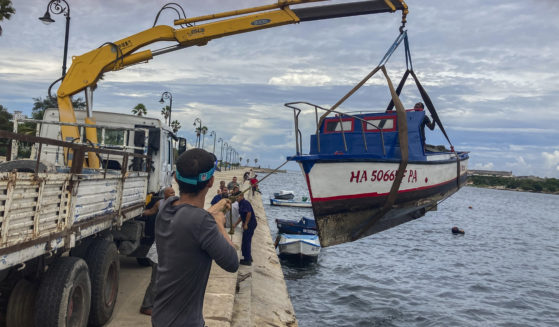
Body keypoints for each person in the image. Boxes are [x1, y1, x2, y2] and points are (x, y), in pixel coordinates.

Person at [152, 149, 239, 327]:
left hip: (160, 317)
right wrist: (219, 223)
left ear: (176, 179)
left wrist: (212, 211)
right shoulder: (203, 223)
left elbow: (190, 219)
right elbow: (232, 262)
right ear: (211, 181)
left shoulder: (166, 208)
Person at [140, 186, 175, 316]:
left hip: (167, 250)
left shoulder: (177, 205)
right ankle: (146, 306)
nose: (173, 194)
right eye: (170, 193)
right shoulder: (160, 203)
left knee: (164, 280)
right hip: (159, 251)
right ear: (165, 195)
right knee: (156, 280)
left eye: (174, 192)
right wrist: (141, 212)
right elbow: (151, 211)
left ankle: (157, 303)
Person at [233, 191, 257, 266]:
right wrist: (235, 224)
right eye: (236, 197)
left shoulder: (245, 203)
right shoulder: (240, 203)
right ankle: (248, 257)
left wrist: (246, 223)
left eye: (238, 197)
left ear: (242, 196)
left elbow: (249, 213)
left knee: (246, 241)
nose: (237, 198)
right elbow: (242, 216)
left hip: (250, 224)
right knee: (246, 240)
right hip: (247, 223)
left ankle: (248, 260)